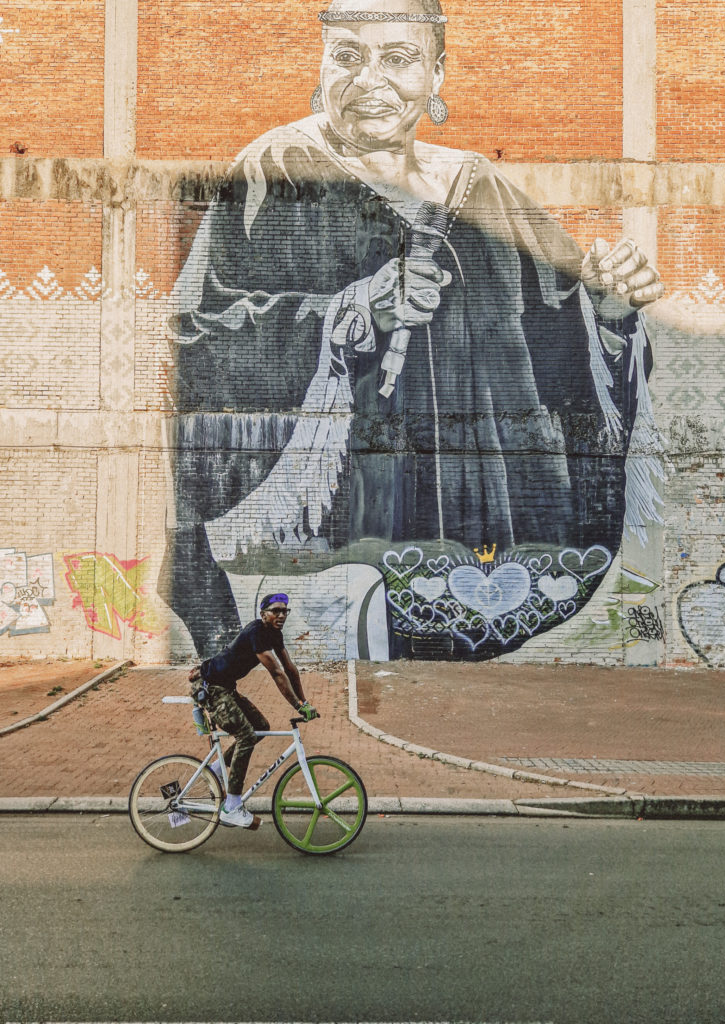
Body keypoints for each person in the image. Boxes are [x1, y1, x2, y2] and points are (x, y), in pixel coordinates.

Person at [163, 0, 665, 662]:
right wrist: (352, 313)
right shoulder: (276, 168)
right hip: (348, 519)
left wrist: (606, 313)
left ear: (437, 73)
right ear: (321, 64)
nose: (370, 80)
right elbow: (197, 332)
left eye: (398, 59)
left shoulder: (476, 184)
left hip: (476, 517)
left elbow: (556, 328)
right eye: (348, 56)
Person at [188, 592, 318, 829]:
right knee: (246, 735)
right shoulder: (257, 632)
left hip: (225, 687)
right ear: (263, 614)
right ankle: (232, 806)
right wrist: (297, 705)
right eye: (275, 611)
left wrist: (305, 702)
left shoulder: (274, 635)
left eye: (284, 611)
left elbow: (289, 669)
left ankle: (216, 770)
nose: (281, 615)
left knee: (261, 727)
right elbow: (277, 673)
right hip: (211, 689)